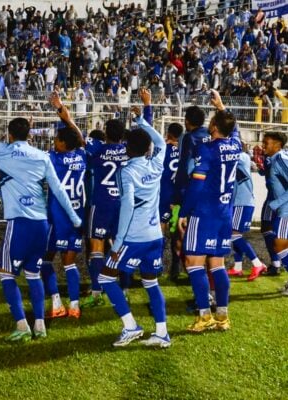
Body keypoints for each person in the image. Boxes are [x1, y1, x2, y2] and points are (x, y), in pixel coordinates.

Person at [0, 99, 81, 342]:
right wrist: (73, 217)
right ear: (29, 133)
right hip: (41, 224)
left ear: (9, 133)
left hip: (18, 223)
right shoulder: (41, 156)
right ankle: (39, 325)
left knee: (7, 273)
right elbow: (58, 190)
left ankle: (21, 325)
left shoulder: (2, 151)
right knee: (33, 273)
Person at [99, 88, 171, 348]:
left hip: (135, 236)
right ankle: (162, 333)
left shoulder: (127, 171)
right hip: (155, 235)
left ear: (128, 148)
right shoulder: (156, 163)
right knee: (150, 282)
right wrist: (143, 122)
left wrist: (118, 242)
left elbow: (127, 206)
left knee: (105, 278)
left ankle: (131, 326)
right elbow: (161, 143)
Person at [178, 90, 241, 333]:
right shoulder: (235, 144)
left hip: (204, 212)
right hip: (224, 212)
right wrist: (221, 105)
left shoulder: (207, 149)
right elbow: (232, 128)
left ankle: (204, 316)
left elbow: (196, 184)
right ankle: (223, 317)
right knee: (217, 264)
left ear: (213, 126)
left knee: (194, 262)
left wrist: (184, 211)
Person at [41, 92, 86, 319]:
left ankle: (57, 303)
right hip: (76, 216)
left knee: (45, 260)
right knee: (69, 263)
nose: (54, 141)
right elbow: (78, 137)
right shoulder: (82, 155)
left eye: (57, 139)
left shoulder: (52, 158)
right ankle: (75, 306)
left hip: (56, 217)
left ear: (62, 144)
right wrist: (64, 114)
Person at [84, 117, 128, 307]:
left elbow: (78, 135)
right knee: (120, 247)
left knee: (96, 248)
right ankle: (123, 290)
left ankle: (96, 291)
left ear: (106, 134)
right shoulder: (128, 150)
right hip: (122, 205)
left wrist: (63, 113)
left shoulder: (98, 148)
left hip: (101, 203)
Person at [227, 143, 266, 280]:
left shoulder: (242, 157)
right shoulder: (238, 158)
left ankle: (257, 263)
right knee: (235, 234)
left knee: (234, 234)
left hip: (242, 202)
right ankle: (238, 268)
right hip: (241, 202)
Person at [263, 132, 288, 295]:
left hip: (286, 209)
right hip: (282, 208)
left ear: (278, 145)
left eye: (267, 143)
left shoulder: (281, 159)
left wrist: (275, 203)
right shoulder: (273, 160)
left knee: (279, 244)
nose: (263, 145)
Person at [159, 122, 182, 281]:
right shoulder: (185, 150)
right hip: (180, 196)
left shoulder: (163, 150)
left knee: (160, 232)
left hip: (164, 195)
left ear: (168, 134)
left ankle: (157, 264)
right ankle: (175, 266)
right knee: (178, 234)